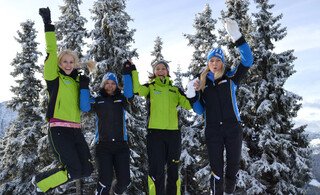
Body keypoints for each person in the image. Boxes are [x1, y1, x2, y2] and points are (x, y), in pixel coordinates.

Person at [187, 19, 254, 195]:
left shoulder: (231, 78)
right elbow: (200, 111)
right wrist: (192, 97)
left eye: (218, 60)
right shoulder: (201, 84)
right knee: (217, 170)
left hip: (233, 128)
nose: (214, 64)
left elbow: (248, 60)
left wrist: (237, 37)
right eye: (211, 61)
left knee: (232, 168)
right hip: (213, 130)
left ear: (222, 63)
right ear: (208, 64)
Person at [33, 7, 93, 193]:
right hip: (59, 129)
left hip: (76, 130)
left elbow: (85, 106)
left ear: (75, 64)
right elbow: (51, 49)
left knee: (87, 169)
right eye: (64, 61)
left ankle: (48, 180)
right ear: (59, 63)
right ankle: (39, 184)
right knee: (74, 170)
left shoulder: (77, 81)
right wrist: (48, 25)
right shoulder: (53, 77)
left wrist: (84, 85)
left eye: (71, 62)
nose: (68, 64)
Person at [123, 60, 193, 195]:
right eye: (157, 69)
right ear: (154, 73)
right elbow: (136, 89)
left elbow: (188, 105)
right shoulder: (150, 87)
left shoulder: (176, 90)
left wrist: (193, 90)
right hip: (155, 135)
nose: (160, 71)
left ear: (167, 71)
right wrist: (132, 70)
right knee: (157, 170)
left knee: (173, 170)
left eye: (163, 68)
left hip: (173, 135)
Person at [79, 66, 134, 195]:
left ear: (116, 85)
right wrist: (83, 86)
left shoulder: (121, 99)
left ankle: (116, 193)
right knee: (105, 181)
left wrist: (127, 73)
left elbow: (130, 94)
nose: (110, 86)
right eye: (107, 83)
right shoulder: (98, 100)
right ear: (103, 85)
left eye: (113, 83)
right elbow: (85, 107)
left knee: (125, 181)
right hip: (103, 146)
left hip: (121, 145)